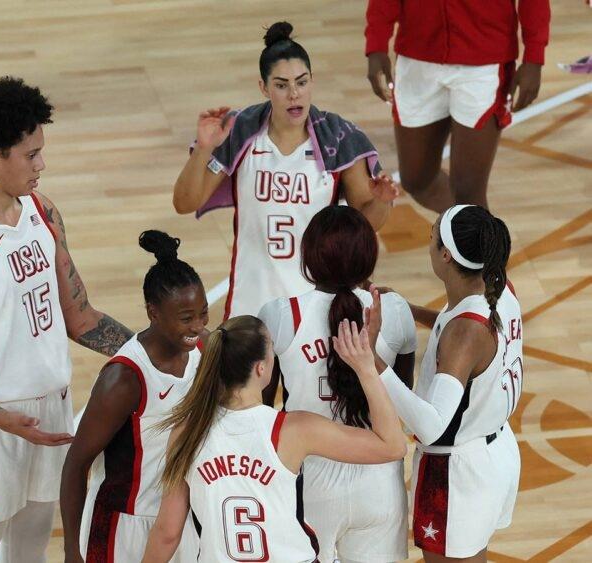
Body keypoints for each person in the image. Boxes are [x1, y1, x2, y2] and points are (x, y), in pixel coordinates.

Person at [0, 76, 133, 563]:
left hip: (50, 415)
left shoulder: (44, 212)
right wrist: (5, 420)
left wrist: (153, 351)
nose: (42, 164)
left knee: (30, 553)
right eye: (30, 154)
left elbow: (81, 319)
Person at [173, 21, 399, 319]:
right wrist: (203, 149)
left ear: (312, 82)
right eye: (281, 85)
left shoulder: (340, 138)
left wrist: (382, 201)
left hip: (314, 311)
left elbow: (365, 225)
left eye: (302, 82)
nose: (294, 94)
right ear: (264, 88)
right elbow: (185, 202)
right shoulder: (240, 131)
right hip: (249, 308)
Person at [141, 314, 407, 562]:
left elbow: (167, 532)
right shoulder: (293, 429)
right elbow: (392, 446)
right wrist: (366, 367)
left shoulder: (186, 431)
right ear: (260, 368)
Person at [258, 204, 416, 563]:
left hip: (309, 481)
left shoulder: (281, 315)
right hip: (380, 481)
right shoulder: (394, 311)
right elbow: (401, 400)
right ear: (369, 258)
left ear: (309, 257)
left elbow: (261, 414)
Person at [374, 205, 523, 561]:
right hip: (493, 451)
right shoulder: (498, 285)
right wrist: (408, 309)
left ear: (445, 255)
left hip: (455, 475)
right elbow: (461, 334)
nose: (428, 241)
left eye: (432, 235)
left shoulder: (465, 334)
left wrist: (372, 363)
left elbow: (429, 425)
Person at [60, 230, 208, 562]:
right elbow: (76, 463)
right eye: (186, 318)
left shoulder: (203, 348)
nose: (197, 326)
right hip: (121, 525)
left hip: (182, 518)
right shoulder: (124, 379)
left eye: (203, 313)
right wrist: (71, 549)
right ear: (153, 312)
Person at [365, 0, 550, 212]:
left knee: (468, 191)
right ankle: (472, 232)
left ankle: (476, 238)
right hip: (417, 56)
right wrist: (376, 44)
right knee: (417, 181)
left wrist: (534, 57)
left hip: (484, 61)